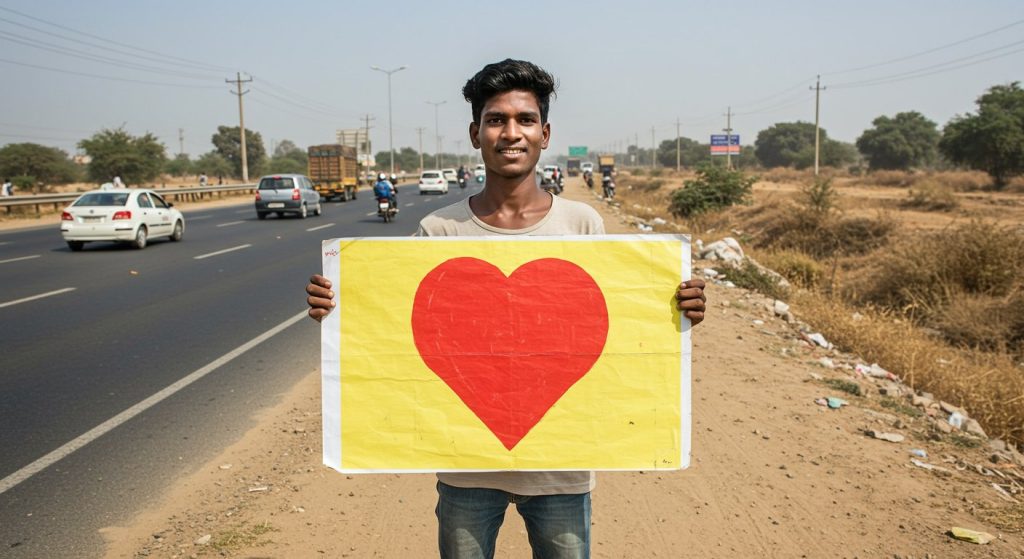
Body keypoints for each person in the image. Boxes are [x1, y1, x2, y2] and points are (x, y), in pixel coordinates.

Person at [307, 59, 706, 559]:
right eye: (496, 120)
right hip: (465, 468)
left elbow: (621, 326)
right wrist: (339, 307)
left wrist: (677, 310)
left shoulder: (582, 224)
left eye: (525, 120)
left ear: (545, 133)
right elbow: (391, 324)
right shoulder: (439, 231)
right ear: (475, 133)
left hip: (561, 471)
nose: (510, 133)